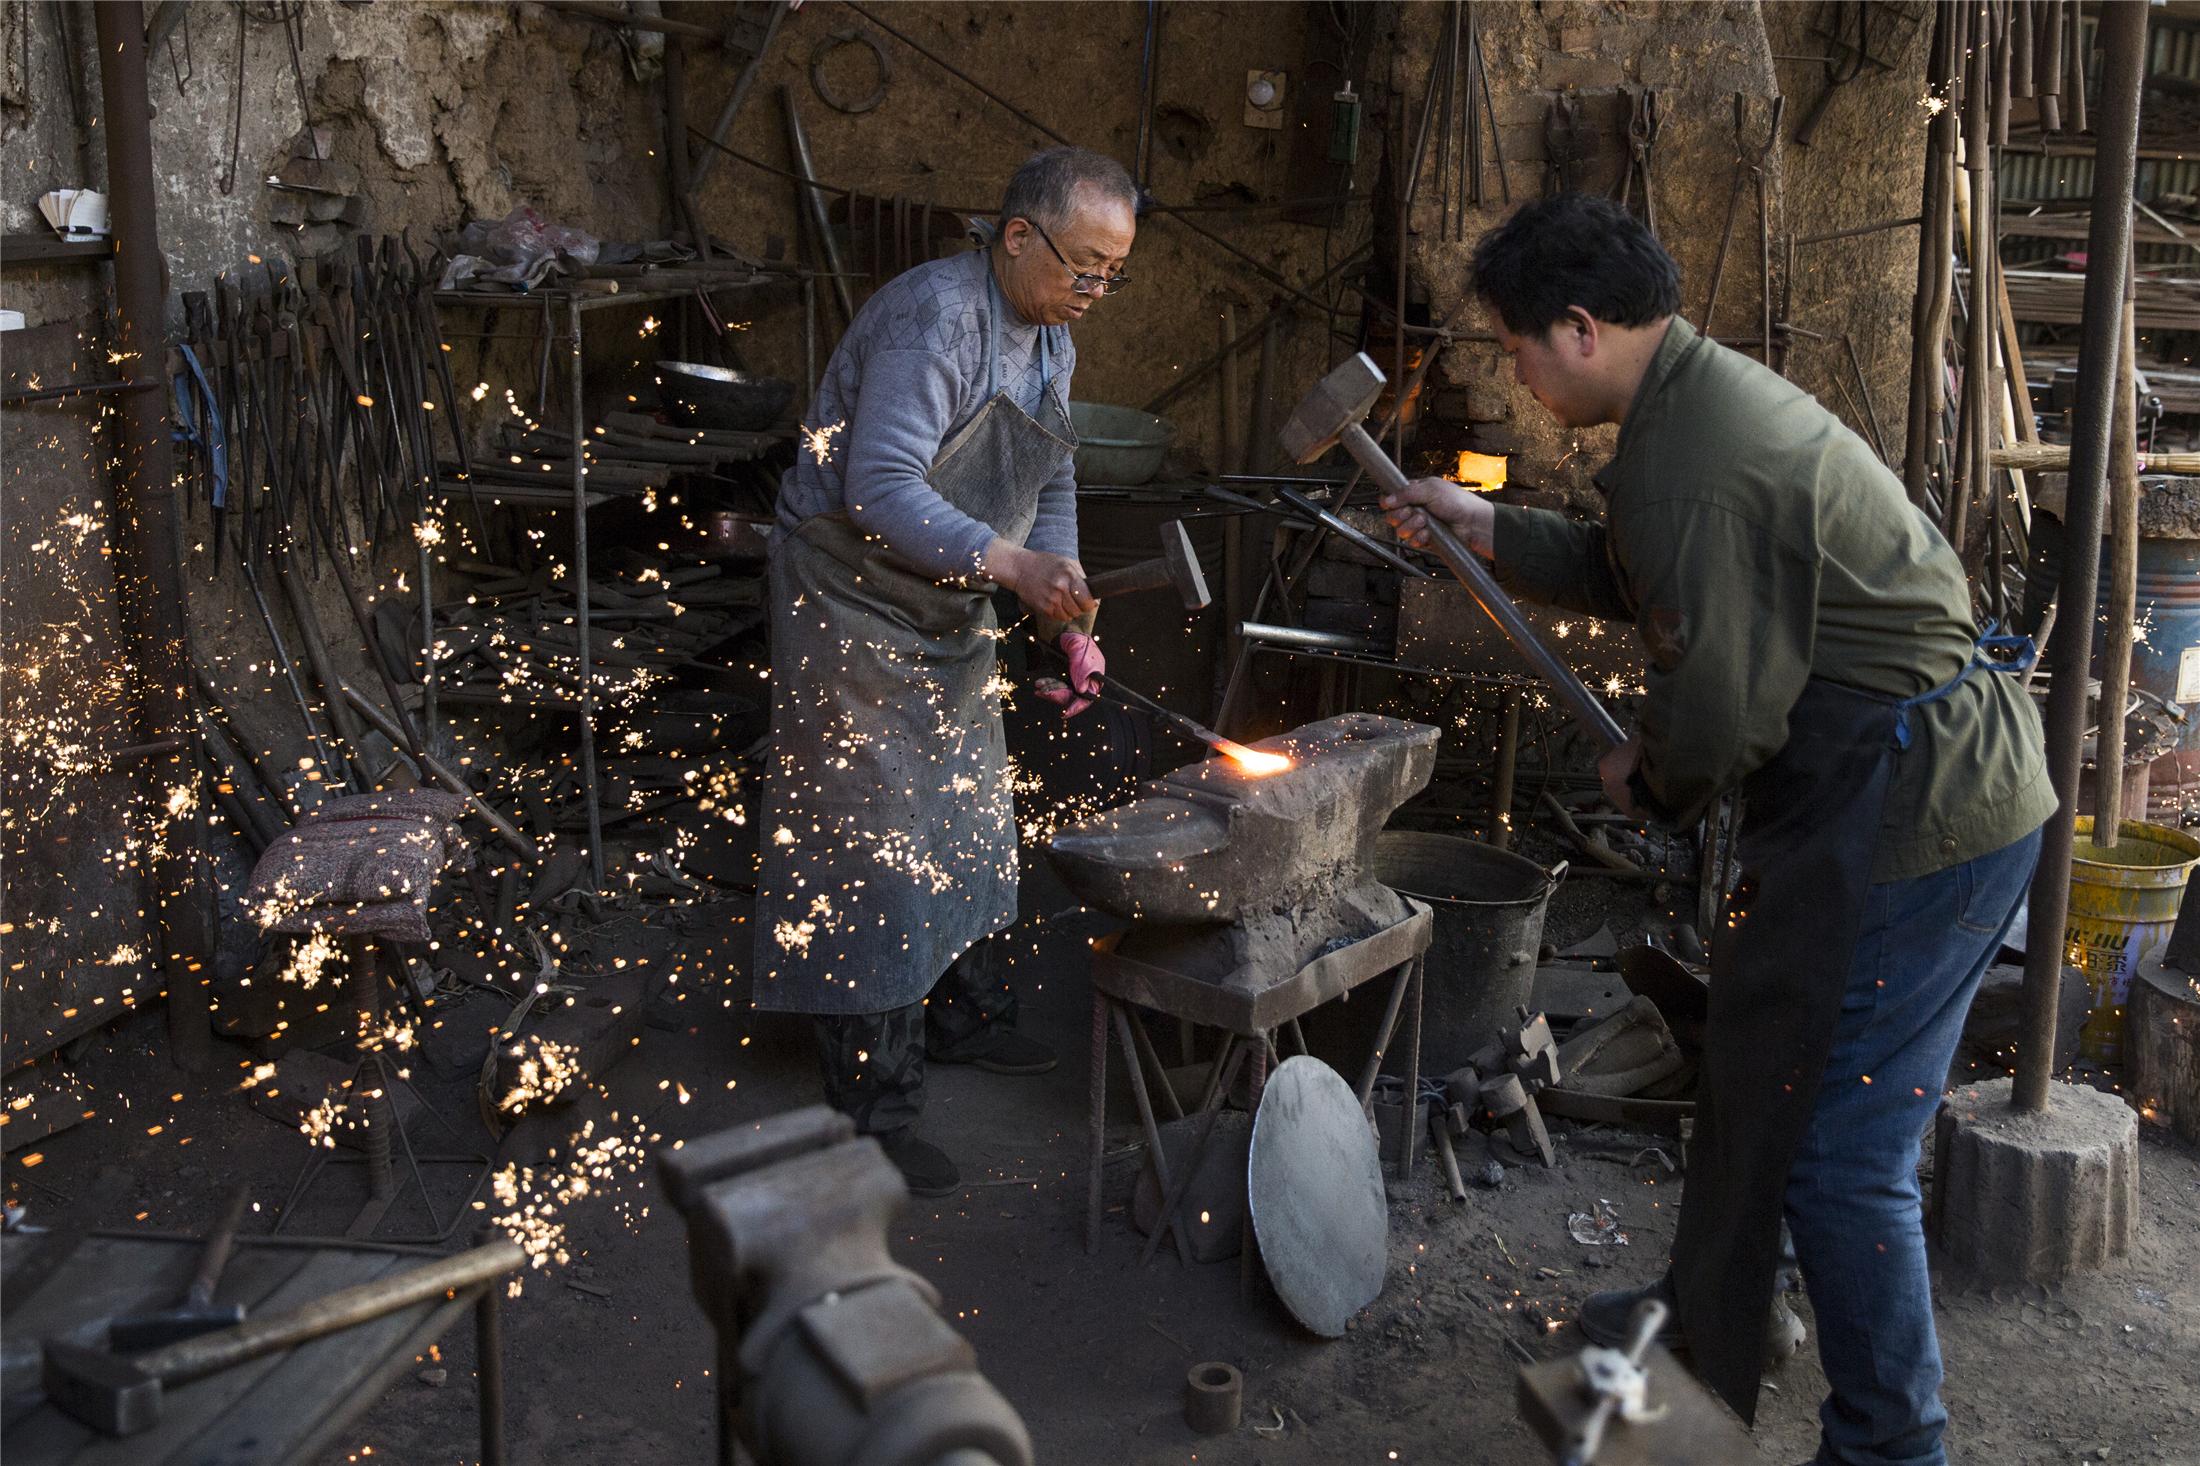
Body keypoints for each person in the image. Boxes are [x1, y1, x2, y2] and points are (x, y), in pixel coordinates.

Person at [1383, 193, 2054, 1466]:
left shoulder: (1690, 453)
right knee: (1761, 1076)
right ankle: (1706, 1313)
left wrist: (1656, 771)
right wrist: (1493, 529)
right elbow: (1645, 564)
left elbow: (1724, 707)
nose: (1517, 376)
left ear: (1578, 329)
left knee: (1841, 1148)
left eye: (1519, 347)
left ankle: (1892, 1445)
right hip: (1885, 788)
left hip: (1917, 812)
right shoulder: (1687, 404)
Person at [750, 148, 1136, 1197]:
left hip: (947, 597)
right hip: (850, 597)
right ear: (1019, 237)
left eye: (1113, 271)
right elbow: (876, 485)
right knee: (875, 844)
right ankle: (872, 1106)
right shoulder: (936, 321)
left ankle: (963, 1018)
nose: (1096, 290)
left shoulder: (1051, 336)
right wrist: (1009, 566)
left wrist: (1068, 614)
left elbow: (1046, 477)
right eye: (1085, 266)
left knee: (964, 817)